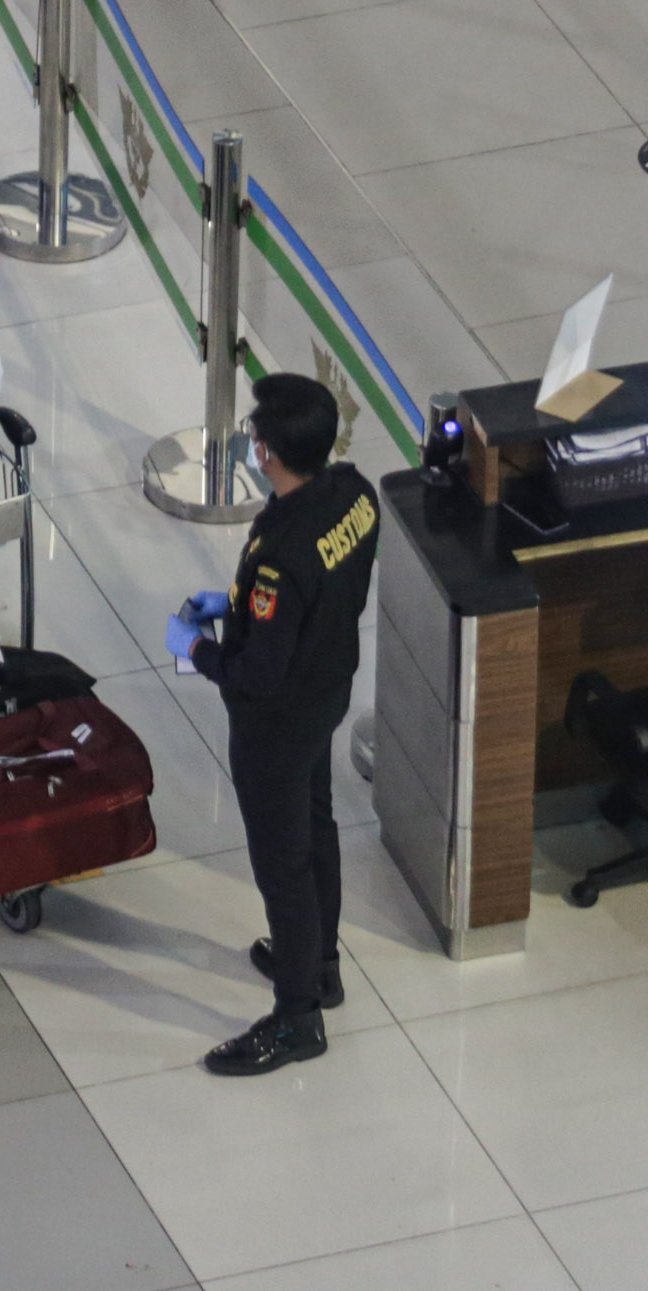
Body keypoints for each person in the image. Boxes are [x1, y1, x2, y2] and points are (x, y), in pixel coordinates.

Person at [177, 375, 379, 1078]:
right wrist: (238, 607)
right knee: (316, 825)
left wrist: (197, 648)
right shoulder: (355, 494)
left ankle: (298, 1016)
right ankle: (319, 964)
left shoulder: (280, 555)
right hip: (328, 690)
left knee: (282, 865)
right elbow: (324, 594)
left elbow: (256, 673)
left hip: (276, 723)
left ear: (266, 453)